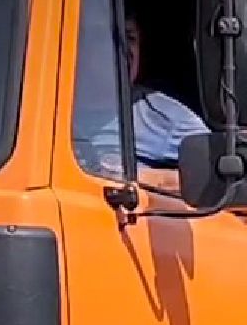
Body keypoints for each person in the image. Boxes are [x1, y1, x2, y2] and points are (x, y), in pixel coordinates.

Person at [81, 14, 210, 193]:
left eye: (130, 38)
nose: (125, 49)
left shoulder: (162, 116)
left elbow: (218, 178)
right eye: (107, 36)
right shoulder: (45, 104)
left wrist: (133, 177)